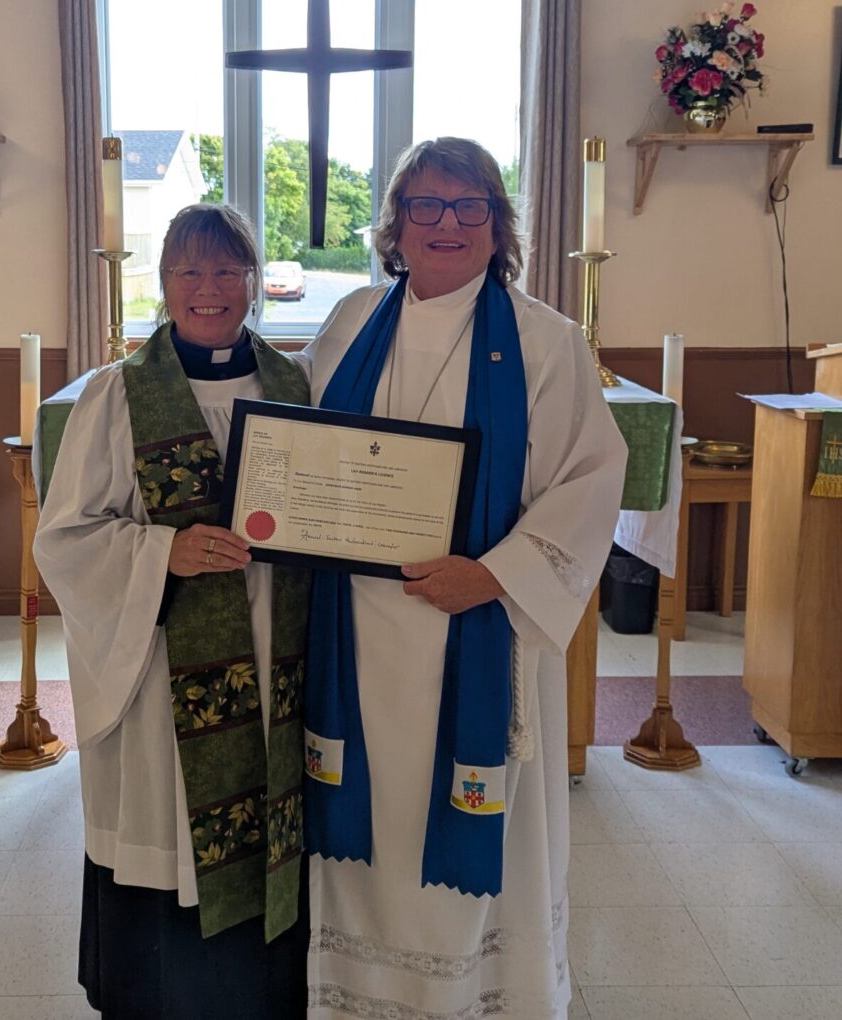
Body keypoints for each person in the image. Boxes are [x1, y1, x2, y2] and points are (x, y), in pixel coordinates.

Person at [297, 137, 628, 1019]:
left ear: (497, 225)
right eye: (426, 206)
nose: (447, 223)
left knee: (473, 817)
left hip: (482, 628)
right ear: (395, 225)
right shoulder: (349, 324)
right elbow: (309, 460)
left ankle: (481, 994)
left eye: (469, 205)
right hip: (361, 633)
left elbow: (593, 479)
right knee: (372, 819)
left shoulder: (546, 342)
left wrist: (494, 575)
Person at [34, 204, 311, 1019]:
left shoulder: (294, 385)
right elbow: (67, 538)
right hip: (163, 671)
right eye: (189, 271)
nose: (210, 289)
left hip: (272, 655)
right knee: (171, 836)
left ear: (256, 282)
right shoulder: (118, 397)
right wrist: (165, 554)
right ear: (163, 284)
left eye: (229, 270)